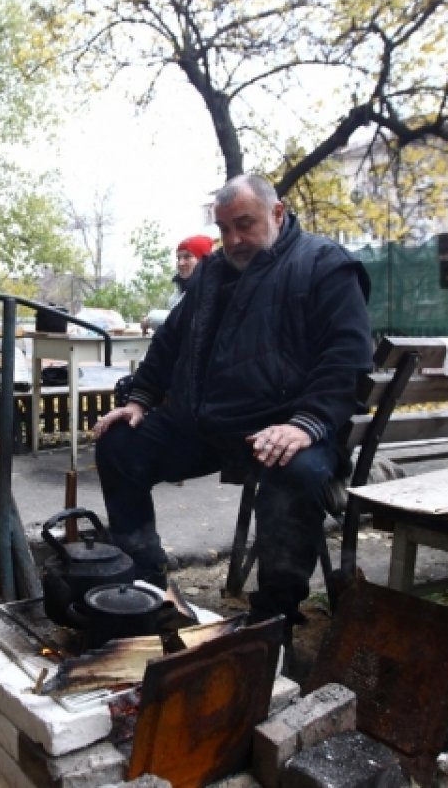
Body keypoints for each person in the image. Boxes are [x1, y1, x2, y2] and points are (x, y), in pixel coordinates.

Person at [93, 174, 373, 632]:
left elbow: (346, 359)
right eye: (224, 229)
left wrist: (306, 424)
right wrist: (140, 397)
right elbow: (169, 341)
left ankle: (274, 617)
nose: (234, 239)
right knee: (120, 443)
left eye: (245, 224)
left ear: (277, 213)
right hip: (207, 426)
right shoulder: (212, 274)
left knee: (294, 471)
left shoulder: (324, 265)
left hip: (289, 427)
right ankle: (146, 584)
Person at [143, 234, 212, 332]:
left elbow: (187, 321)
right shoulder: (178, 292)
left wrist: (150, 319)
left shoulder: (208, 290)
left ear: (203, 261)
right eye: (178, 258)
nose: (180, 263)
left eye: (187, 257)